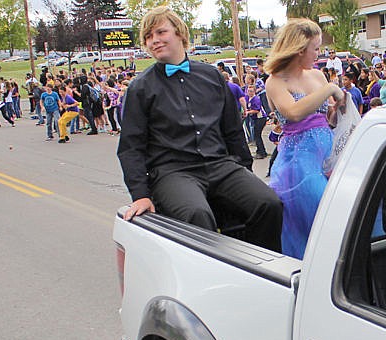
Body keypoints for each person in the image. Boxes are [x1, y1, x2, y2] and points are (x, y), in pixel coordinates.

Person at [117, 6, 282, 253]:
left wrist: (244, 170)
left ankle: (262, 272)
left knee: (268, 203)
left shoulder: (212, 76)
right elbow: (131, 148)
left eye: (161, 32)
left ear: (180, 34)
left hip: (220, 165)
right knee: (197, 215)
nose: (154, 40)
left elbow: (232, 130)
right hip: (173, 172)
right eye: (148, 37)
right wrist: (140, 194)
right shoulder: (140, 88)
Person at [264, 17, 345, 258]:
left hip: (328, 160)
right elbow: (294, 112)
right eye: (316, 48)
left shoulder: (317, 76)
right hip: (298, 168)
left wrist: (337, 112)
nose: (319, 54)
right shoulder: (275, 81)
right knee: (324, 221)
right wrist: (330, 89)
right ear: (299, 50)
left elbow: (324, 116)